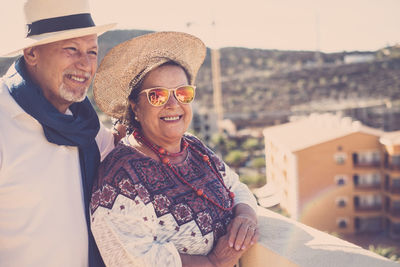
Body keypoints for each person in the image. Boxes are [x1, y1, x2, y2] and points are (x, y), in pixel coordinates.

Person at [90, 31, 259, 267]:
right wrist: (214, 262)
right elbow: (132, 259)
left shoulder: (195, 148)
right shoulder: (119, 178)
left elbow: (235, 186)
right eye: (157, 95)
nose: (173, 104)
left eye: (183, 92)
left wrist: (245, 216)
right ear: (135, 107)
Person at [0, 0, 117, 266]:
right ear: (31, 53)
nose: (85, 65)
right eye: (72, 49)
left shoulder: (89, 127)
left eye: (92, 51)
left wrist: (236, 208)